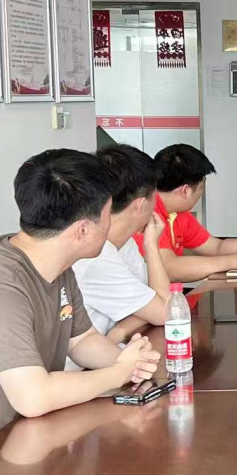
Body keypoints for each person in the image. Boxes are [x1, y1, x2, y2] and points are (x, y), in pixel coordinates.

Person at [0, 150, 159, 431]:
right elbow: (33, 397)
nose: (111, 224)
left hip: (12, 431)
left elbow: (81, 341)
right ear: (83, 230)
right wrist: (117, 373)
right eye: (108, 214)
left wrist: (131, 362)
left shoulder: (57, 266)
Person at [73, 144, 170, 341]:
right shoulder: (96, 256)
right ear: (141, 204)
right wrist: (151, 245)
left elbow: (151, 302)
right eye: (154, 198)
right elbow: (166, 312)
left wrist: (120, 331)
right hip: (88, 359)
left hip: (111, 348)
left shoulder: (124, 243)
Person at [135, 144, 237, 282]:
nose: (202, 193)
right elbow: (169, 268)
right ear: (186, 191)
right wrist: (235, 261)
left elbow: (217, 247)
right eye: (201, 186)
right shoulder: (145, 214)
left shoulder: (179, 214)